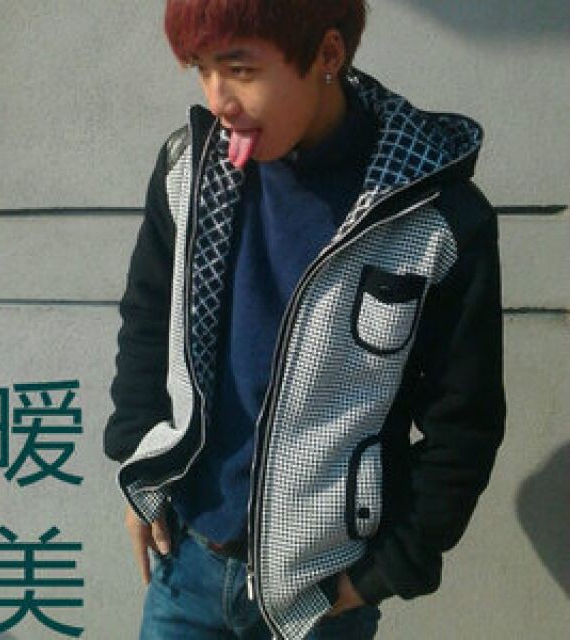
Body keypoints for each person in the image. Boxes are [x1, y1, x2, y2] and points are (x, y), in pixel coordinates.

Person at [104, 1, 506, 639]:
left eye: (240, 70)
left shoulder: (433, 216)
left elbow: (465, 421)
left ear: (328, 54)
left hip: (319, 598)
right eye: (203, 70)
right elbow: (148, 321)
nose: (218, 100)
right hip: (187, 563)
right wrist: (138, 466)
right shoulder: (191, 169)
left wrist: (381, 573)